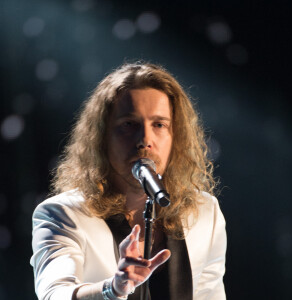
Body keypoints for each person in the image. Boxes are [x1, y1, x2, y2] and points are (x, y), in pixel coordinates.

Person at [30, 62, 227, 300]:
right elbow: (55, 293)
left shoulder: (205, 212)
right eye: (129, 125)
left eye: (159, 125)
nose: (145, 139)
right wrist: (113, 289)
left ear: (176, 136)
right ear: (102, 138)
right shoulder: (62, 214)